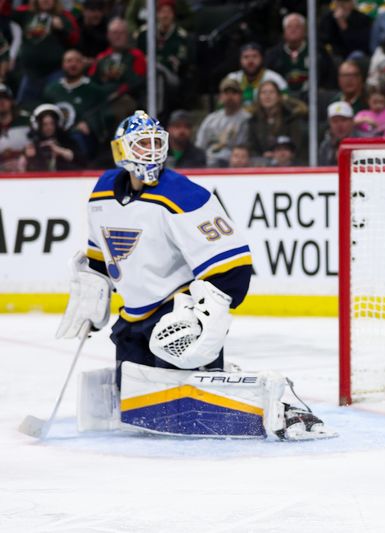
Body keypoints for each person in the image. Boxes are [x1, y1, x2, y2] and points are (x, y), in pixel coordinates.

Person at [54, 109, 330, 440]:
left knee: (191, 413)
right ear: (121, 150)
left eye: (157, 143)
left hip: (176, 315)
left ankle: (281, 404)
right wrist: (92, 289)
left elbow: (233, 265)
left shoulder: (183, 193)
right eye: (142, 144)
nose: (152, 151)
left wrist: (206, 319)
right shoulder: (102, 192)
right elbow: (100, 254)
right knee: (138, 415)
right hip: (133, 318)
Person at [194, 77, 251, 167]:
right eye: (226, 93)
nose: (230, 96)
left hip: (234, 166)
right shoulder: (211, 119)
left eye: (234, 92)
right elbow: (199, 147)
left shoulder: (247, 119)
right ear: (220, 96)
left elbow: (244, 150)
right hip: (208, 165)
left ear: (241, 96)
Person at [224, 42, 288, 113]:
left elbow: (285, 106)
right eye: (246, 57)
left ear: (262, 59)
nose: (250, 61)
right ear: (240, 60)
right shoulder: (232, 79)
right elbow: (222, 107)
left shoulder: (275, 79)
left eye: (255, 56)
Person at [319, 100, 355, 165]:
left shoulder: (363, 142)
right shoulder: (325, 146)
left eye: (343, 120)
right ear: (329, 123)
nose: (339, 125)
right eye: (335, 121)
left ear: (352, 121)